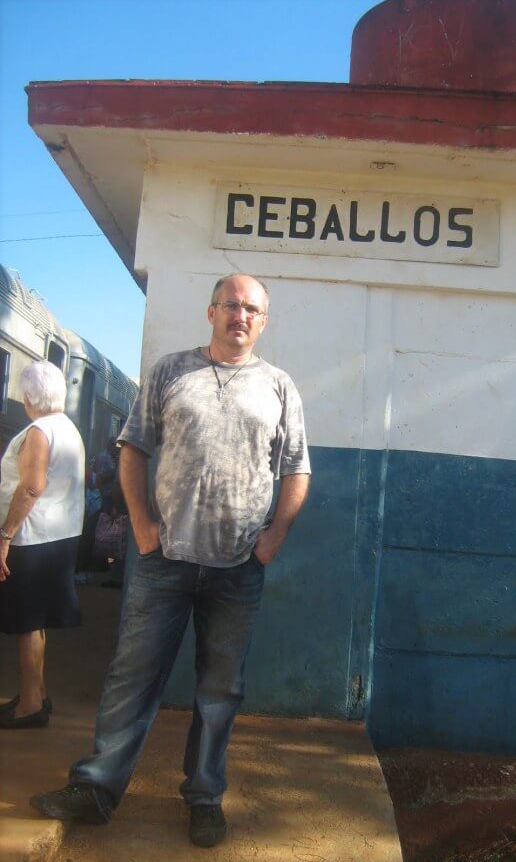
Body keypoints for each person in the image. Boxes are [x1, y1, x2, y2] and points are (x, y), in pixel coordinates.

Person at [31, 274, 310, 848]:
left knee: (219, 689)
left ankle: (205, 797)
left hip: (238, 568)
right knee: (133, 676)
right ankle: (95, 789)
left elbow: (296, 470)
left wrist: (274, 537)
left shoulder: (279, 386)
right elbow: (133, 449)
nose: (241, 315)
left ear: (264, 322)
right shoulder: (170, 371)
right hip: (164, 562)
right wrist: (142, 526)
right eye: (231, 304)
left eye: (252, 309)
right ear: (211, 311)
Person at [0, 361, 85, 729]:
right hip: (58, 538)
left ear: (28, 396)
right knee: (36, 623)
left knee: (26, 621)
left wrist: (5, 536)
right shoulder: (67, 429)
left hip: (32, 539)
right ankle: (37, 692)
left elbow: (31, 486)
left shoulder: (39, 431)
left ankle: (31, 706)